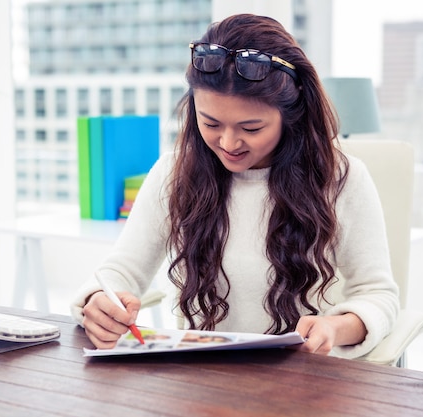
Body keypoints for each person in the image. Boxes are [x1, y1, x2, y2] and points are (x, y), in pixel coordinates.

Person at [71, 13, 399, 359]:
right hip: (199, 381)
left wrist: (333, 327)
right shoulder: (173, 172)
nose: (228, 142)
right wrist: (98, 303)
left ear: (292, 112)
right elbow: (120, 272)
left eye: (252, 128)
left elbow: (378, 295)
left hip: (303, 384)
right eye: (210, 123)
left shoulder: (341, 179)